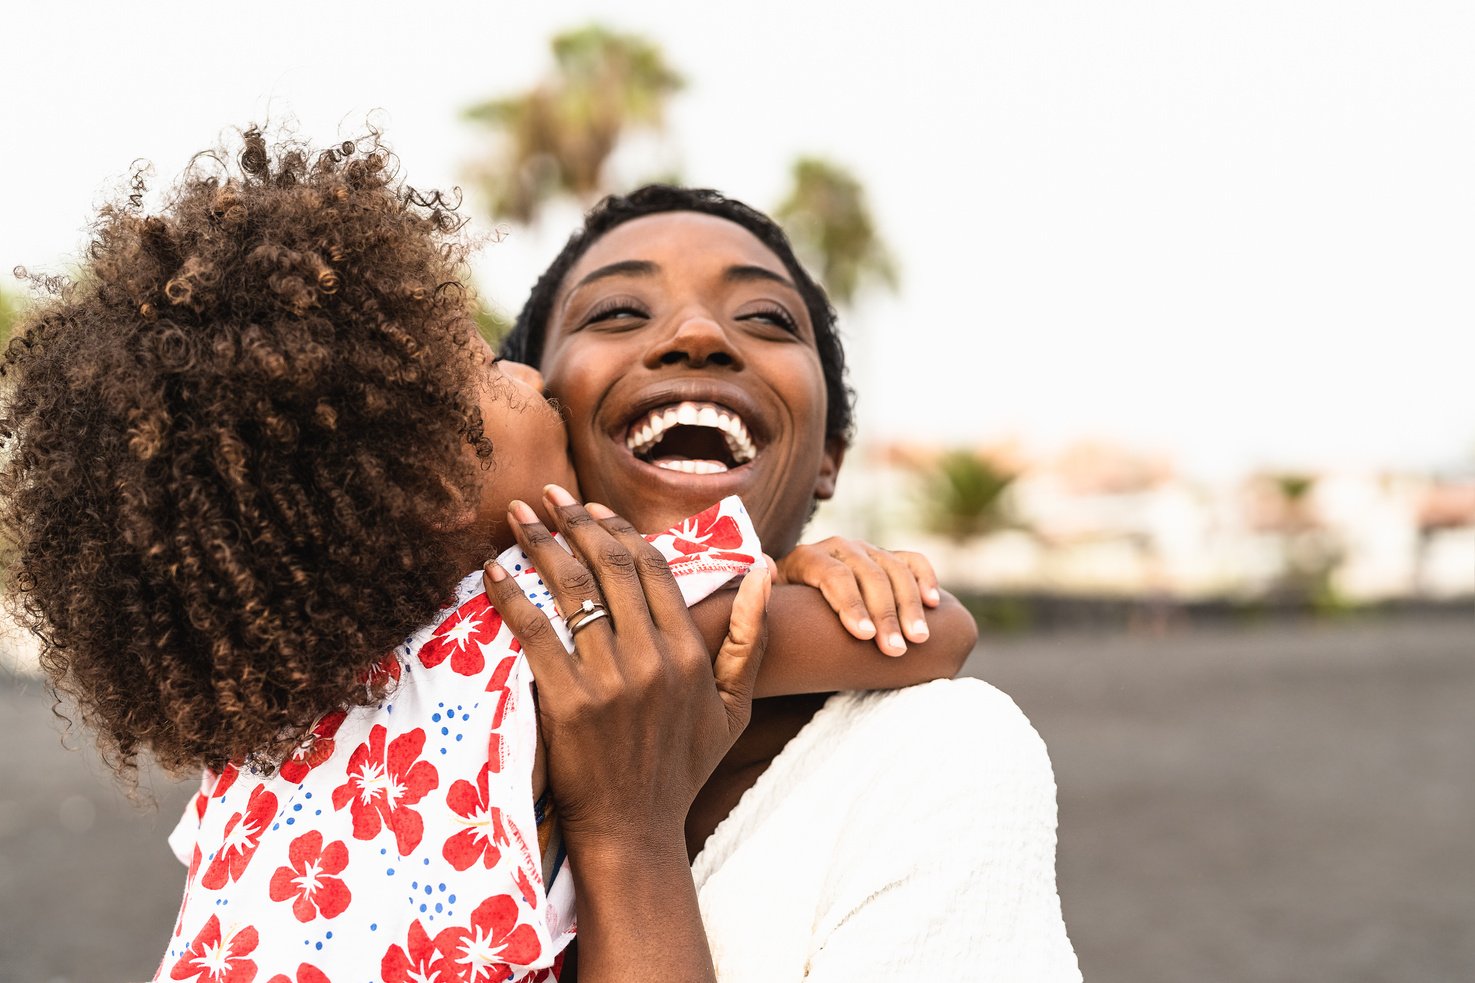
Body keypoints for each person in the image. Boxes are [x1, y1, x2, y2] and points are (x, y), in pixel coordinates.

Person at [0, 129, 975, 982]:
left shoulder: (264, 750)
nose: (518, 370)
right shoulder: (548, 620)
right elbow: (918, 632)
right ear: (424, 481)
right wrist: (815, 570)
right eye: (478, 370)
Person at [501, 184, 1083, 979]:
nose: (698, 334)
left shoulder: (930, 756)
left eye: (767, 319)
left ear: (827, 459)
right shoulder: (374, 685)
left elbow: (938, 627)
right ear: (532, 406)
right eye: (616, 313)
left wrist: (627, 835)